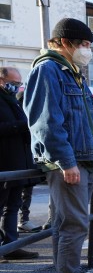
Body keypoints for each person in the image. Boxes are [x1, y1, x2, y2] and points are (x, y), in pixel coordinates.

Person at [24, 18, 93, 273]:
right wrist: (66, 161)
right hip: (68, 163)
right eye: (83, 44)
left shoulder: (71, 72)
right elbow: (46, 123)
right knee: (73, 226)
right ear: (64, 42)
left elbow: (88, 124)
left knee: (67, 226)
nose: (87, 50)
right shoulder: (47, 70)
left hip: (81, 161)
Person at [0, 66, 40, 259]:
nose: (17, 87)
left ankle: (11, 245)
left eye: (19, 83)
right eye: (14, 83)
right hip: (4, 162)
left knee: (13, 205)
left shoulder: (13, 101)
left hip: (17, 162)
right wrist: (23, 125)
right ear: (2, 80)